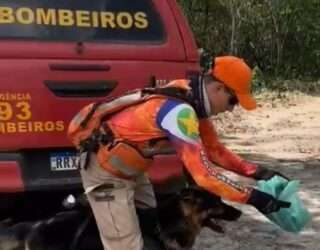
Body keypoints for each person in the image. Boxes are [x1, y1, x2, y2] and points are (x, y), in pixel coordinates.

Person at [71, 56, 291, 250]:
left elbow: (214, 151)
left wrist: (259, 172)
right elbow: (203, 176)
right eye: (233, 100)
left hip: (131, 170)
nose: (232, 108)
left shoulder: (190, 97)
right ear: (219, 88)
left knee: (151, 225)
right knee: (126, 244)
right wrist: (253, 197)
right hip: (106, 173)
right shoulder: (180, 112)